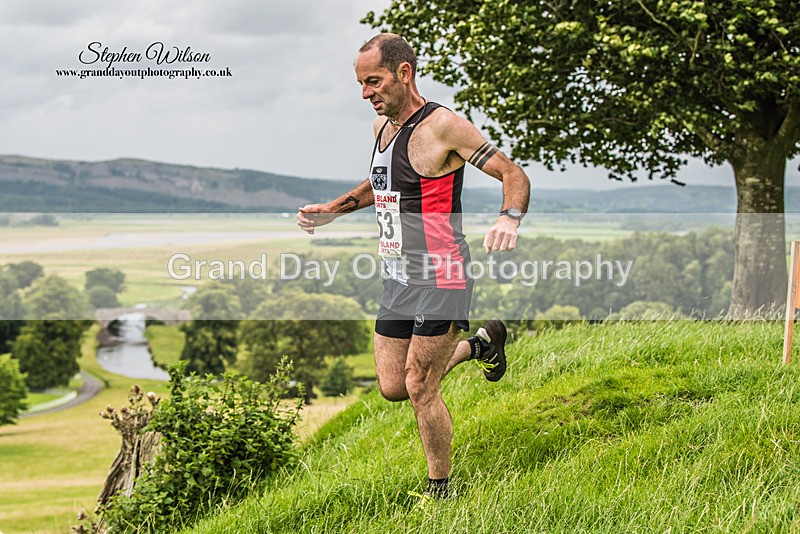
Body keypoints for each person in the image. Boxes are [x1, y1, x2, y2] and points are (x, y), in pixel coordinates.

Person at [297, 33, 530, 498]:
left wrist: (510, 217)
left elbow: (512, 173)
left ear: (404, 73)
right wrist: (333, 210)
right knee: (392, 386)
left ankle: (441, 490)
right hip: (398, 275)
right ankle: (482, 345)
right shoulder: (384, 128)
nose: (366, 93)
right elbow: (380, 185)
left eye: (374, 81)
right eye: (362, 84)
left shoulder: (443, 126)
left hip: (442, 272)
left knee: (421, 385)